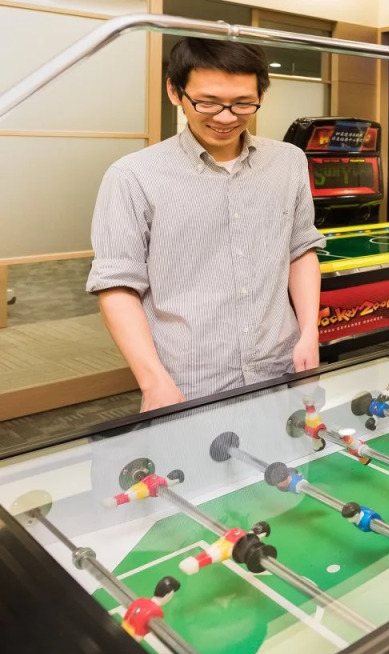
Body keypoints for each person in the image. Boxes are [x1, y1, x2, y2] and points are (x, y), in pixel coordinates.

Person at [87, 38, 325, 411]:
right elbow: (117, 286)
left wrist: (309, 333)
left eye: (243, 103)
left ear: (261, 95)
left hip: (281, 365)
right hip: (189, 379)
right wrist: (153, 381)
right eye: (208, 102)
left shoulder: (288, 162)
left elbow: (300, 250)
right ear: (174, 91)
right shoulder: (133, 176)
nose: (226, 117)